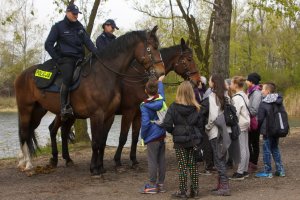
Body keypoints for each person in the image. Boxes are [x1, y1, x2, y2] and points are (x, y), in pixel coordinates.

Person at [45, 4, 98, 121]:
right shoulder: (58, 27)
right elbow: (48, 45)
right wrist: (57, 59)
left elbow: (88, 43)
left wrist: (98, 54)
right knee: (68, 77)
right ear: (67, 12)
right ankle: (64, 107)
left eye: (77, 14)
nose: (76, 16)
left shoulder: (80, 27)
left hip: (80, 59)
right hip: (65, 60)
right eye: (73, 13)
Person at [163, 81, 202, 199]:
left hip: (180, 141)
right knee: (193, 166)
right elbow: (200, 126)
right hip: (193, 139)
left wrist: (174, 132)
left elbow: (167, 124)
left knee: (182, 166)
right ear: (191, 93)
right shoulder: (196, 108)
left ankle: (183, 191)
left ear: (179, 92)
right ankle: (195, 191)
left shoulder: (173, 107)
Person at [140, 76, 166, 194]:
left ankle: (151, 185)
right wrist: (160, 81)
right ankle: (160, 184)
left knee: (152, 160)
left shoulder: (144, 106)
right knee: (161, 160)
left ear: (146, 91)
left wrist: (143, 136)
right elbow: (161, 91)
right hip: (161, 134)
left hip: (151, 136)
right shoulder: (161, 99)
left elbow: (145, 123)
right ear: (156, 90)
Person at [205, 74, 231, 196]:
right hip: (226, 131)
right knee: (221, 158)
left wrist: (207, 127)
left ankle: (224, 186)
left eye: (210, 80)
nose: (208, 81)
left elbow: (213, 117)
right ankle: (221, 184)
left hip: (216, 132)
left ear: (213, 82)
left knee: (218, 159)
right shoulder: (227, 96)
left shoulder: (213, 96)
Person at [255, 83, 285, 178]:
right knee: (275, 148)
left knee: (266, 150)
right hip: (277, 129)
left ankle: (267, 171)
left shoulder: (264, 102)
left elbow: (260, 118)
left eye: (263, 89)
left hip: (267, 130)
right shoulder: (279, 101)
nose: (261, 91)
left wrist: (258, 128)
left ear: (268, 91)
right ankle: (280, 170)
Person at [229, 76, 250, 180]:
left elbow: (235, 113)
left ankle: (240, 172)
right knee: (245, 147)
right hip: (246, 123)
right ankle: (245, 170)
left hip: (240, 125)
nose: (230, 85)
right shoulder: (244, 95)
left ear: (236, 85)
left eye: (232, 83)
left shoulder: (237, 98)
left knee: (242, 148)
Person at [246, 72, 262, 172]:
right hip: (250, 120)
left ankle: (254, 163)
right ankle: (251, 162)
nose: (246, 81)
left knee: (254, 142)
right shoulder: (250, 91)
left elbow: (254, 109)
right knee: (249, 142)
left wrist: (244, 113)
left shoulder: (256, 93)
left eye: (247, 80)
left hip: (255, 122)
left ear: (251, 81)